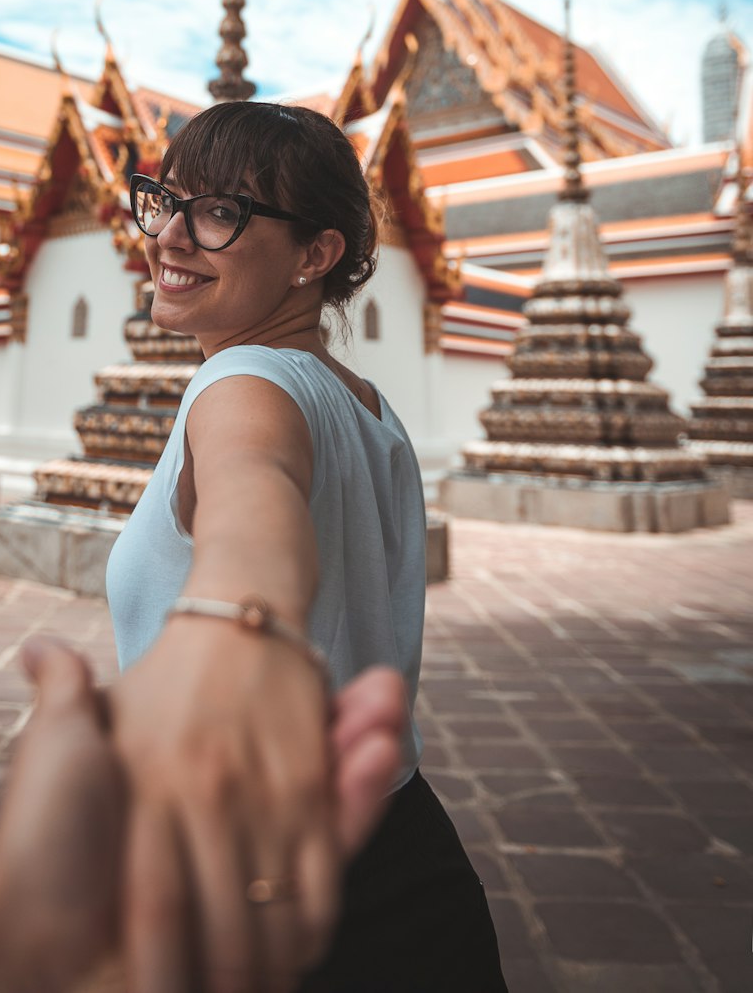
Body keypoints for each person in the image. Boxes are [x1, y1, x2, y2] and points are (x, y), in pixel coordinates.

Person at [106, 102, 508, 993]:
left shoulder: (240, 385)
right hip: (405, 849)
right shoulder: (367, 405)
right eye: (164, 200)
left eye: (219, 213)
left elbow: (255, 500)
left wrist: (226, 631)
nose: (170, 235)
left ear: (314, 256)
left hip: (261, 883)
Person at [0, 637, 409, 993]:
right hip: (193, 843)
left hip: (317, 811)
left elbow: (259, 486)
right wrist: (19, 956)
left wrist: (235, 621)